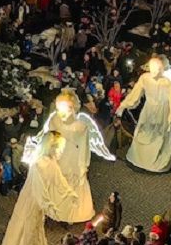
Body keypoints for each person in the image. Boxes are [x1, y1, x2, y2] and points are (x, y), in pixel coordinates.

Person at [27, 89, 115, 222]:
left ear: (73, 108)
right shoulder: (55, 120)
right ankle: (55, 210)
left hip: (73, 158)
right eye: (60, 107)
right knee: (57, 181)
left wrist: (83, 165)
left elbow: (84, 147)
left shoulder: (81, 126)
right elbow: (49, 139)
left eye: (67, 108)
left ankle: (72, 213)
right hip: (59, 156)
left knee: (73, 184)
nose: (63, 112)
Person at [0, 132, 79, 245]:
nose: (61, 152)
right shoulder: (38, 164)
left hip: (41, 201)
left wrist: (69, 192)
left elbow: (59, 180)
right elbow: (39, 188)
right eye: (59, 149)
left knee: (36, 226)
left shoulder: (52, 163)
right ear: (51, 147)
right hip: (32, 200)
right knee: (29, 225)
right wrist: (48, 204)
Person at [116, 56, 171, 172]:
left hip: (161, 111)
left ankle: (155, 159)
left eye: (158, 68)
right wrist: (123, 106)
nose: (155, 71)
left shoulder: (167, 82)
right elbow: (135, 95)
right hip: (150, 109)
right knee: (144, 131)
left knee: (159, 134)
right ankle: (142, 158)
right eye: (153, 68)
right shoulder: (145, 78)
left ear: (161, 68)